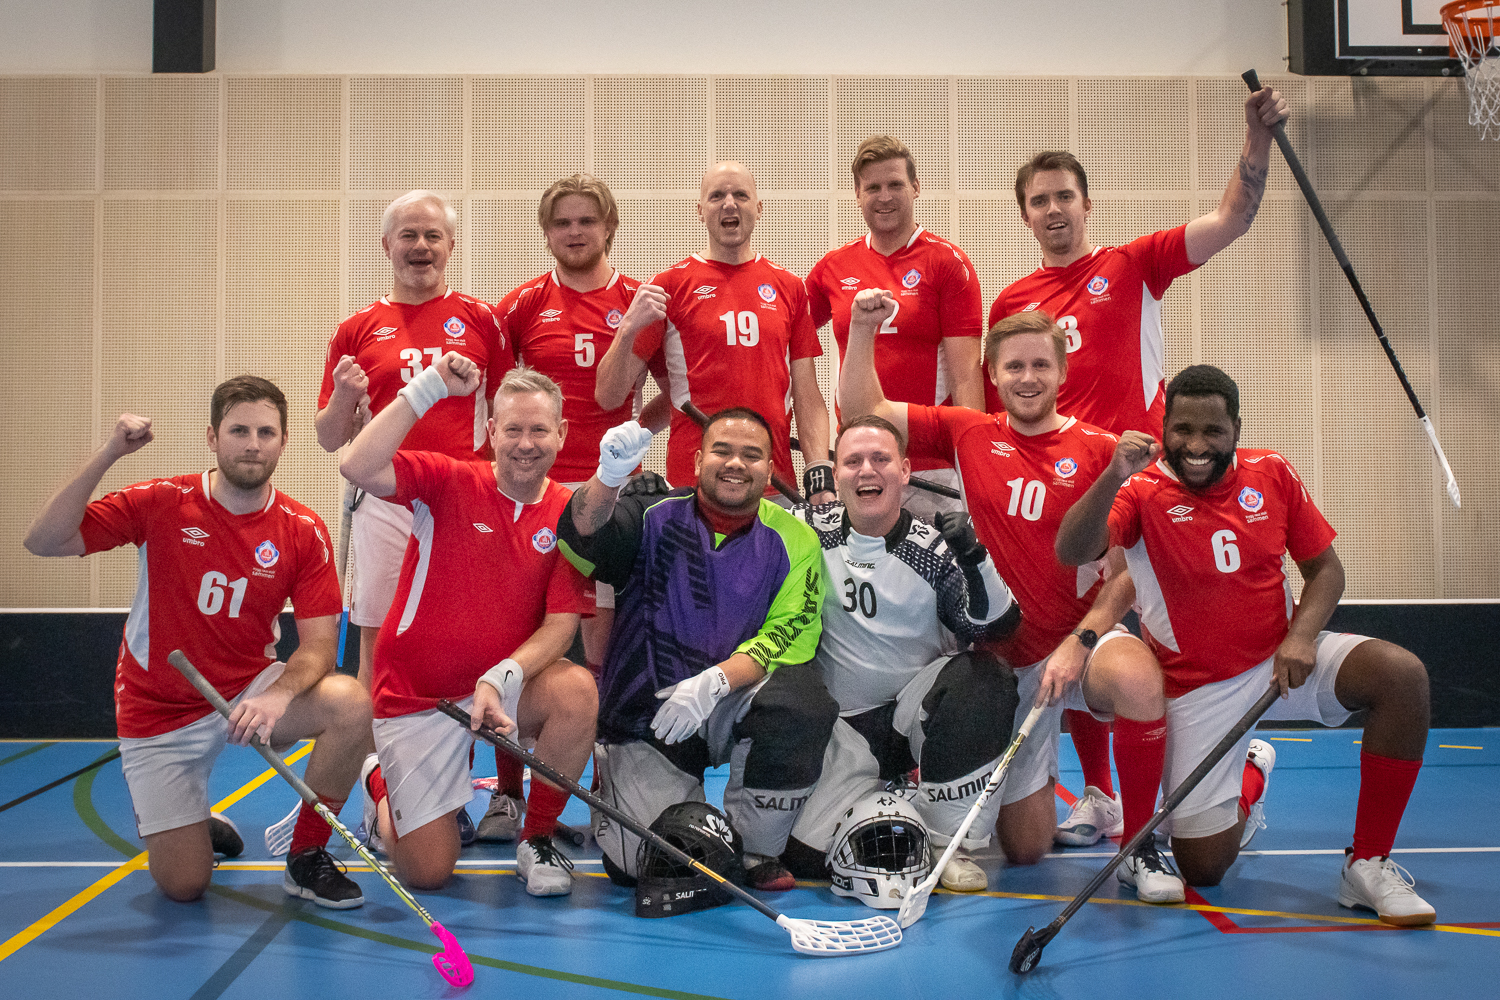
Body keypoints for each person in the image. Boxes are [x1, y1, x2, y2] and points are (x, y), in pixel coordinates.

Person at [990, 85, 1290, 849]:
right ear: (1024, 216)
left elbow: (1233, 219)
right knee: (1074, 629)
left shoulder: (1133, 264)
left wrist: (1256, 139)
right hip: (1066, 498)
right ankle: (1100, 796)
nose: (1053, 209)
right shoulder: (1014, 303)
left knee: (1144, 645)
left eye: (1064, 196)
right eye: (1038, 200)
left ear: (1087, 204)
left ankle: (1232, 764)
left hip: (1144, 490)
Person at [1054, 364, 1435, 926]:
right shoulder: (1139, 492)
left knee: (1402, 676)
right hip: (1197, 689)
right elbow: (1071, 549)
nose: (1196, 446)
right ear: (1164, 428)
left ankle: (1368, 863)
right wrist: (1112, 474)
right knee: (1203, 868)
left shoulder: (1272, 472)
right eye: (1183, 430)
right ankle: (1253, 770)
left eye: (1213, 431)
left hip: (1283, 662)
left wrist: (1301, 636)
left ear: (1236, 428)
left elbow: (1326, 571)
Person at [840, 296, 1177, 898]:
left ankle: (1139, 845)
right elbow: (868, 411)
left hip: (1076, 644)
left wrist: (1083, 639)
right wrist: (862, 329)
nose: (1027, 378)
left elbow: (1130, 572)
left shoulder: (1103, 450)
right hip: (1001, 665)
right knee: (1026, 849)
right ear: (992, 374)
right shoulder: (969, 432)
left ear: (1063, 371)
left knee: (1137, 679)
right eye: (1014, 366)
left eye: (1040, 365)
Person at [23, 377, 372, 908]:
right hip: (159, 707)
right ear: (212, 437)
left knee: (351, 703)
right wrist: (110, 453)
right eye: (238, 431)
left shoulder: (302, 528)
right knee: (185, 886)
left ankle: (305, 855)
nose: (252, 444)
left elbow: (320, 645)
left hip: (249, 690)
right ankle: (190, 820)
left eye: (266, 432)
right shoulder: (162, 501)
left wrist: (278, 695)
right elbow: (43, 541)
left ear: (283, 442)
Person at [339, 359, 597, 896]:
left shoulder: (569, 513)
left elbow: (560, 627)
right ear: (491, 432)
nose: (525, 443)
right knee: (428, 873)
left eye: (539, 429)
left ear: (562, 434)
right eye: (513, 429)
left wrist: (501, 677)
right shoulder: (448, 478)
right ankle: (378, 779)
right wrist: (428, 387)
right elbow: (357, 465)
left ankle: (536, 838)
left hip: (498, 694)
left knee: (576, 691)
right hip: (419, 695)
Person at [556, 407, 837, 892]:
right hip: (649, 712)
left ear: (770, 470)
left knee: (800, 701)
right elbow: (581, 539)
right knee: (640, 864)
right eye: (722, 451)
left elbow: (790, 632)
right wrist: (608, 479)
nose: (736, 463)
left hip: (733, 699)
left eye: (752, 455)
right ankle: (662, 804)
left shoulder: (796, 539)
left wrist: (715, 682)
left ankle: (752, 848)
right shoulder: (650, 513)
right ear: (698, 459)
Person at [487, 174, 670, 842]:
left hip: (607, 502)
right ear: (546, 233)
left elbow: (674, 390)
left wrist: (634, 437)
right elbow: (496, 400)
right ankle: (508, 794)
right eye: (561, 222)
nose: (574, 232)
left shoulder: (639, 302)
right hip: (533, 498)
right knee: (519, 637)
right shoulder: (521, 306)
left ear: (609, 227)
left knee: (604, 644)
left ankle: (597, 784)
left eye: (586, 220)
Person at [781, 414, 1021, 892]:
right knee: (803, 858)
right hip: (844, 730)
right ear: (835, 473)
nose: (867, 470)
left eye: (881, 459)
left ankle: (947, 842)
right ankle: (898, 797)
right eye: (853, 461)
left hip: (916, 715)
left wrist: (974, 556)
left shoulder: (933, 548)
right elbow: (739, 525)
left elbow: (997, 626)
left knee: (986, 675)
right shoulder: (804, 528)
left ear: (905, 471)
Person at [316, 190, 511, 691]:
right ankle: (372, 742)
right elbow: (329, 438)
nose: (421, 245)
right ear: (387, 245)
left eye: (432, 236)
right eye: (408, 235)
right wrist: (344, 397)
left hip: (462, 497)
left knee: (469, 631)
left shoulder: (483, 319)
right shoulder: (356, 329)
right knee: (379, 638)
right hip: (384, 496)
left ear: (451, 246)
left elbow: (507, 416)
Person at [593, 161, 836, 505]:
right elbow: (608, 396)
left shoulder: (790, 287)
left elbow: (807, 395)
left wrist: (819, 472)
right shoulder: (668, 286)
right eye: (717, 196)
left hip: (772, 483)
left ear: (759, 208)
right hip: (692, 486)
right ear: (701, 211)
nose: (729, 204)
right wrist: (627, 328)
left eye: (741, 195)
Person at [806, 136, 984, 518]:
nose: (884, 197)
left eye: (895, 185)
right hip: (860, 461)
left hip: (930, 468)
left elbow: (967, 379)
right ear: (857, 194)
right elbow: (785, 338)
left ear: (916, 187)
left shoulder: (948, 263)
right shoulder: (832, 267)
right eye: (873, 187)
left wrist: (977, 471)